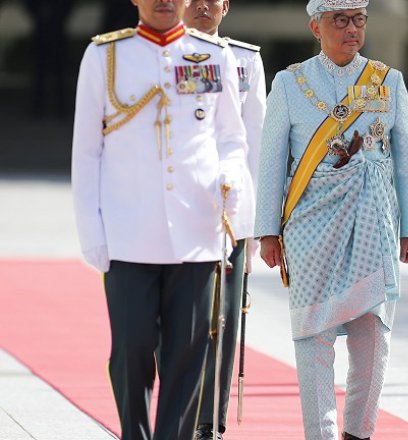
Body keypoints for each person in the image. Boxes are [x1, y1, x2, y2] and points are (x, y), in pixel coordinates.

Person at [71, 0, 248, 438]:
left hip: (196, 230)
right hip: (129, 232)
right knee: (131, 350)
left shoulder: (214, 54)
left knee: (188, 356)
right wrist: (92, 230)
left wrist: (231, 180)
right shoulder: (105, 56)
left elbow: (231, 137)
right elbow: (87, 152)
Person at [253, 0, 408, 438]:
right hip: (309, 225)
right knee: (314, 338)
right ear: (316, 27)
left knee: (373, 336)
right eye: (340, 20)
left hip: (373, 222)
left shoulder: (388, 81)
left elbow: (407, 159)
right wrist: (267, 231)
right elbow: (271, 160)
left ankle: (359, 432)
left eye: (358, 20)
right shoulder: (290, 83)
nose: (352, 29)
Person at [184, 0, 267, 438]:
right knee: (177, 320)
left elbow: (255, 142)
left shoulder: (244, 60)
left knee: (224, 319)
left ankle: (209, 423)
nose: (202, 5)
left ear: (226, 6)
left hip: (229, 214)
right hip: (179, 211)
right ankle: (180, 412)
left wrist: (253, 226)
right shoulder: (163, 54)